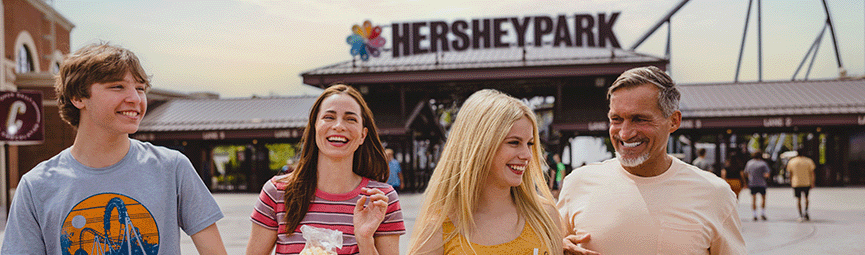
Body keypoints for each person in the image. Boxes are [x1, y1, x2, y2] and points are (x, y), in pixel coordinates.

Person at [1, 43, 227, 254]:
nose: (135, 98)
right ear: (78, 97)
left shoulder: (172, 168)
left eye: (140, 88)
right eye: (117, 87)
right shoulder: (36, 185)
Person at [557, 66, 745, 255]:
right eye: (616, 119)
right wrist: (556, 247)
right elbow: (546, 245)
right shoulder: (577, 184)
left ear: (673, 121)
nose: (625, 133)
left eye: (640, 119)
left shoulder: (715, 194)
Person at [247, 84, 405, 254]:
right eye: (329, 117)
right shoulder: (277, 193)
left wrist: (365, 239)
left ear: (362, 135)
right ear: (314, 127)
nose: (338, 126)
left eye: (350, 119)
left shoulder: (380, 200)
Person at [408, 89, 563, 254]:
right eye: (514, 142)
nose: (527, 155)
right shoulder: (437, 229)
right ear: (480, 145)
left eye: (530, 144)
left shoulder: (546, 216)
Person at [787, 148, 816, 222]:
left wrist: (791, 182)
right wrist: (812, 182)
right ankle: (806, 211)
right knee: (806, 198)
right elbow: (812, 173)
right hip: (806, 182)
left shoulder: (792, 161)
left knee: (798, 199)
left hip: (796, 183)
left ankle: (800, 214)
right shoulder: (808, 161)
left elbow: (790, 173)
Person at [744, 150, 771, 221]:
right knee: (763, 198)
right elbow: (767, 174)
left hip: (752, 183)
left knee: (754, 199)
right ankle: (762, 213)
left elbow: (746, 173)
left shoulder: (749, 163)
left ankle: (754, 214)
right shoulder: (763, 164)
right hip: (762, 183)